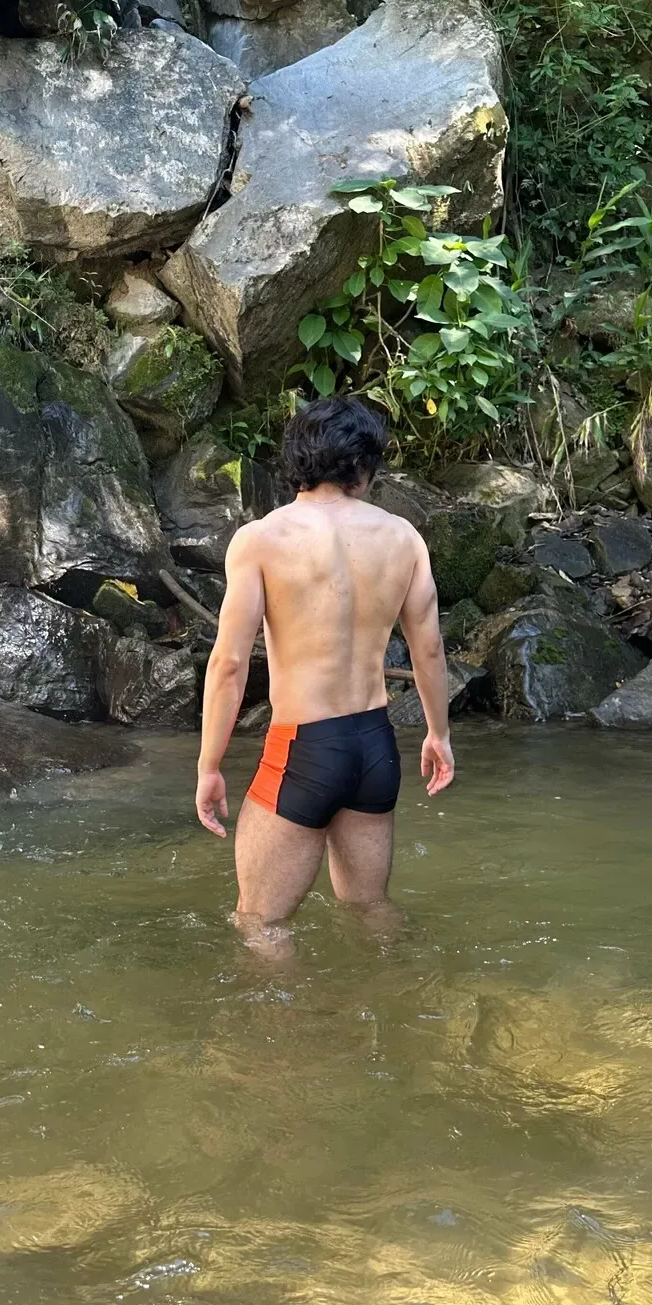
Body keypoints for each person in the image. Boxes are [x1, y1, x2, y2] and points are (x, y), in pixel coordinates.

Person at [194, 395, 455, 948]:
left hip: (304, 749)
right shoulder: (404, 538)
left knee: (260, 925)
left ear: (298, 458)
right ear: (365, 463)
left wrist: (209, 765)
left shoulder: (261, 539)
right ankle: (406, 992)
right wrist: (438, 734)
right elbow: (430, 651)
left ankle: (299, 1012)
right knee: (370, 911)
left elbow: (229, 664)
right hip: (375, 747)